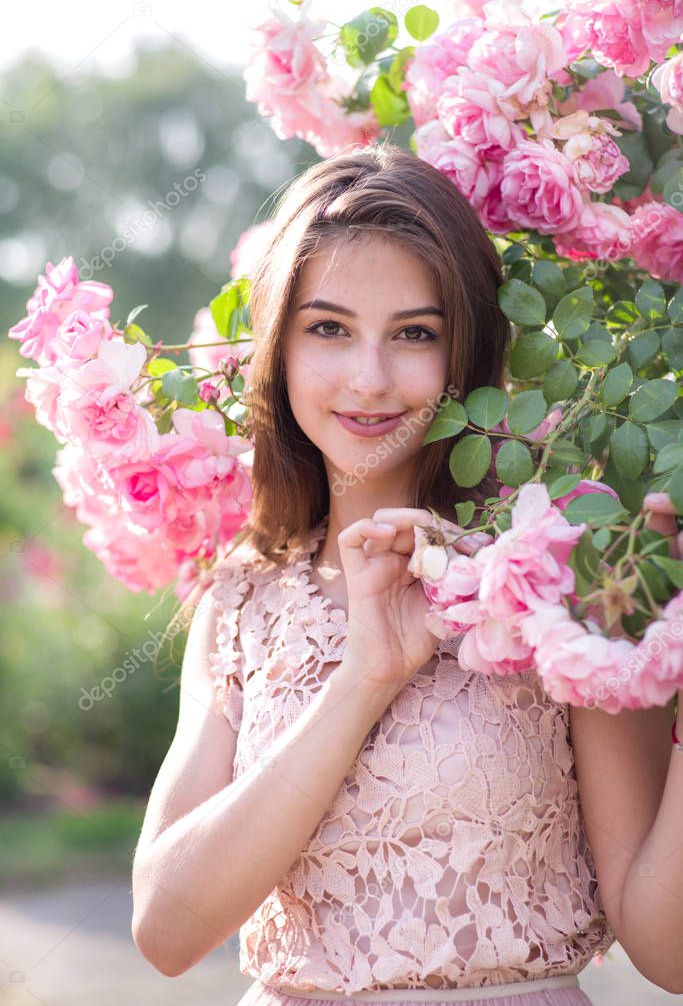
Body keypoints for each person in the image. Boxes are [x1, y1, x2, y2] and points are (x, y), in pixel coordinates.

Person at [130, 142, 681, 1004]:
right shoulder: (243, 600)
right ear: (277, 346)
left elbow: (667, 950)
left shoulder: (562, 574)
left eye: (414, 333)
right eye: (328, 328)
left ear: (465, 352)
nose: (369, 378)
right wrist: (364, 680)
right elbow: (166, 929)